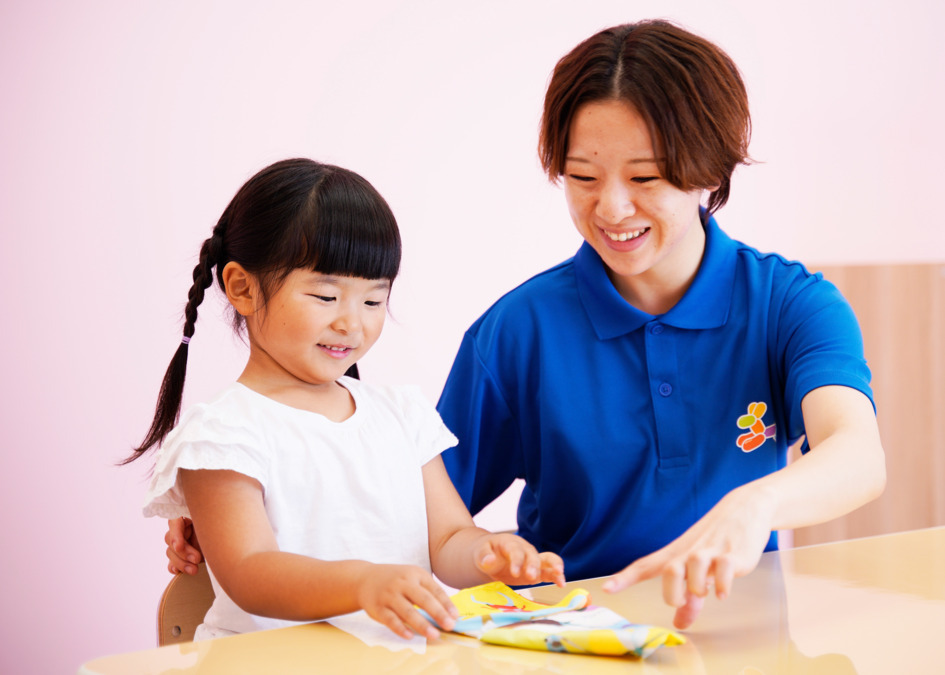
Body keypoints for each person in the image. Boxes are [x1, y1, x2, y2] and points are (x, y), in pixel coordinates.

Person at [165, 20, 886, 630]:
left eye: (644, 178)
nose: (609, 208)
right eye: (581, 176)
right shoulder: (516, 332)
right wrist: (240, 509)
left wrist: (753, 505)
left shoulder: (789, 303)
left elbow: (857, 454)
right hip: (571, 635)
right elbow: (415, 515)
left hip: (742, 630)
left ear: (709, 170)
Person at [128, 158, 564, 642]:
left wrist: (490, 553)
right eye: (325, 297)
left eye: (373, 301)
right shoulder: (222, 435)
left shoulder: (401, 416)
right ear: (242, 288)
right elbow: (251, 573)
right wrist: (364, 582)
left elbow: (447, 540)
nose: (352, 323)